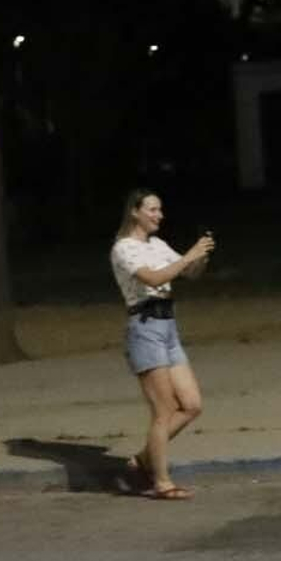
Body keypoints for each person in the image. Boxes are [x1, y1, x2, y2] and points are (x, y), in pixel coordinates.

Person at [109, 189, 214, 500]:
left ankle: (143, 459)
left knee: (192, 405)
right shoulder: (124, 248)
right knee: (164, 410)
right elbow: (153, 279)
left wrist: (201, 257)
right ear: (135, 212)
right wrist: (188, 257)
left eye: (160, 210)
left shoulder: (156, 244)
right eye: (153, 210)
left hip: (168, 327)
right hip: (145, 328)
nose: (160, 215)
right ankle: (161, 481)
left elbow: (188, 272)